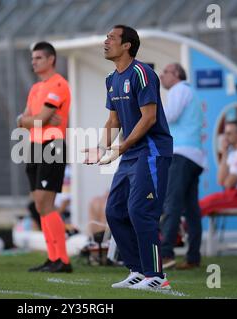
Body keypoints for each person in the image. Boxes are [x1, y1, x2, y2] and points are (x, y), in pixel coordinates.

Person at [83, 25, 173, 290]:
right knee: (115, 211)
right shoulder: (111, 78)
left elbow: (149, 118)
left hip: (152, 152)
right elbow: (113, 120)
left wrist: (120, 148)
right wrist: (101, 148)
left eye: (111, 37)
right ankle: (137, 270)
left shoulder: (142, 73)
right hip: (131, 153)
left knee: (140, 210)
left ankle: (157, 276)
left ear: (127, 46)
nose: (105, 41)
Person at [17, 42, 72, 273]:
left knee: (45, 202)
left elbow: (36, 119)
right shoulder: (35, 89)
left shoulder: (59, 84)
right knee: (39, 204)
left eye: (38, 58)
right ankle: (52, 258)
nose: (34, 62)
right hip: (33, 146)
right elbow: (28, 118)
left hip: (52, 145)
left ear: (51, 59)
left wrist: (32, 120)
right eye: (32, 58)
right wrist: (31, 120)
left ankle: (63, 260)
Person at [159, 63, 206, 270]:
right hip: (194, 156)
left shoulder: (179, 90)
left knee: (172, 205)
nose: (161, 76)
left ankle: (166, 254)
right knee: (192, 210)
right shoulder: (192, 92)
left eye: (165, 72)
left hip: (181, 154)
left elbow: (169, 116)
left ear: (176, 74)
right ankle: (193, 257)